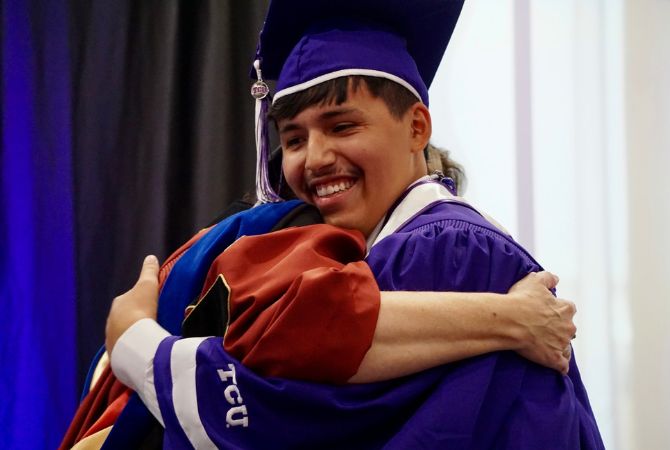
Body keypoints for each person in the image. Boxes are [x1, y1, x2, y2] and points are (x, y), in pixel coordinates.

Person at [61, 0, 604, 448]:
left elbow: (297, 404)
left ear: (417, 127)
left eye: (342, 125)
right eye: (294, 139)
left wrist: (139, 348)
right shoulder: (353, 247)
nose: (314, 159)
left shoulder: (450, 250)